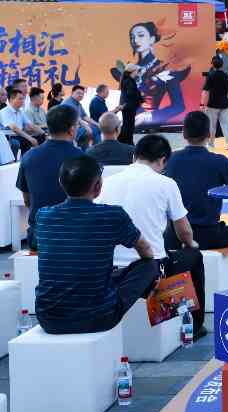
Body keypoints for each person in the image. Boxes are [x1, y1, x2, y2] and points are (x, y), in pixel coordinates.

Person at [35, 156, 160, 335]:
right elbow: (146, 251)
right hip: (99, 317)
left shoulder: (43, 216)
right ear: (98, 187)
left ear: (61, 183)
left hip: (49, 319)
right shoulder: (113, 215)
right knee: (150, 266)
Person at [98, 135, 207, 336]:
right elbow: (184, 231)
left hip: (110, 270)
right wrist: (190, 244)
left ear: (134, 156)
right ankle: (194, 327)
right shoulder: (165, 183)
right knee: (193, 256)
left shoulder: (106, 183)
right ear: (163, 160)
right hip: (150, 271)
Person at [164, 111, 228, 250]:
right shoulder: (220, 162)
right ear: (209, 134)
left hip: (175, 236)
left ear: (184, 133)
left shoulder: (170, 160)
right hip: (210, 235)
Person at [16, 105, 84, 249]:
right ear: (72, 130)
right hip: (74, 234)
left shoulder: (28, 156)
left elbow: (27, 200)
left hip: (39, 236)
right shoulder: (81, 158)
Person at [112, 21, 191, 126]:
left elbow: (178, 106)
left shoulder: (166, 70)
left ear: (152, 39)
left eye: (141, 35)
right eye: (132, 37)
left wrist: (148, 117)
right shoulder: (129, 70)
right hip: (128, 124)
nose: (135, 40)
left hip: (150, 124)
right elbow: (123, 99)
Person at [201, 55, 228, 151]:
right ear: (222, 65)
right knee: (226, 124)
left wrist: (202, 104)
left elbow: (205, 91)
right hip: (224, 104)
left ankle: (211, 144)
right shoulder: (226, 76)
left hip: (212, 104)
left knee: (212, 125)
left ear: (212, 65)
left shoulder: (210, 76)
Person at [1, 87, 44, 155]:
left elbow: (31, 125)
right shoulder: (4, 112)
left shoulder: (21, 111)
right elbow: (14, 128)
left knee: (40, 138)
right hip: (9, 137)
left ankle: (27, 159)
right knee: (17, 143)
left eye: (23, 99)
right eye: (20, 99)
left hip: (19, 136)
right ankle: (13, 161)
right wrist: (30, 138)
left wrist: (44, 134)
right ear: (11, 99)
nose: (23, 101)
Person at [118, 62, 142, 145]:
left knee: (127, 124)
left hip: (127, 106)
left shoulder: (126, 80)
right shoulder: (129, 81)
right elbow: (132, 94)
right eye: (136, 71)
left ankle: (125, 141)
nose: (137, 72)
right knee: (129, 125)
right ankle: (128, 142)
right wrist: (139, 96)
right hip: (129, 106)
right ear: (133, 71)